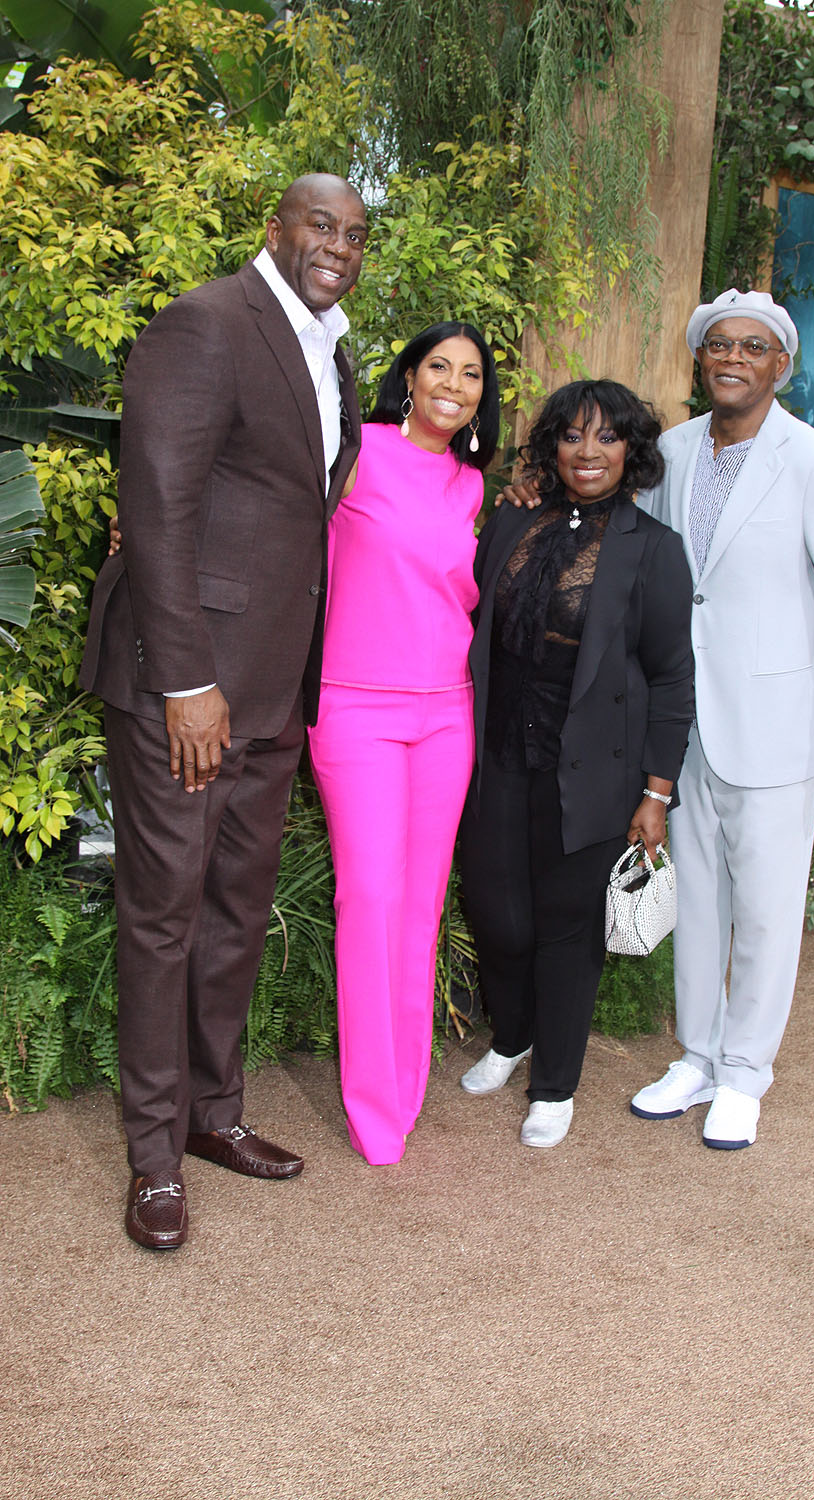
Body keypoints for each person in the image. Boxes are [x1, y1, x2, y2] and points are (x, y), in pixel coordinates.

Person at [80, 174, 367, 1248]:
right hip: (190, 688)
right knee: (164, 918)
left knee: (236, 912)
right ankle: (154, 1159)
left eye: (355, 235)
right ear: (276, 229)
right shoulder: (206, 323)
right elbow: (157, 506)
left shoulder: (329, 350)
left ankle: (212, 1114)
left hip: (273, 686)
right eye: (320, 226)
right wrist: (185, 683)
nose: (337, 246)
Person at [628, 289, 814, 1149]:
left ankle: (745, 1073)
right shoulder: (671, 452)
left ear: (781, 365)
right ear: (700, 359)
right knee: (699, 902)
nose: (733, 359)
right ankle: (698, 1057)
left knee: (768, 911)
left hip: (776, 724)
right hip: (682, 726)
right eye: (719, 345)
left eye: (753, 347)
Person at [460, 380, 695, 1149]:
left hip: (593, 767)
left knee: (567, 928)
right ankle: (513, 1036)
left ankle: (554, 1084)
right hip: (498, 752)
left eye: (606, 437)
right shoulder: (512, 520)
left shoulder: (653, 548)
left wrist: (657, 792)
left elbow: (672, 678)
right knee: (497, 914)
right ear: (550, 446)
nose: (587, 452)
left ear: (632, 451)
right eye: (571, 435)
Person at [306, 324, 500, 1166]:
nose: (453, 384)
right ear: (410, 379)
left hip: (447, 715)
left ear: (482, 397)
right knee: (372, 898)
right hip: (355, 710)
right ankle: (372, 1106)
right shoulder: (356, 455)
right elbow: (280, 530)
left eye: (471, 374)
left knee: (420, 906)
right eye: (438, 368)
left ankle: (404, 1087)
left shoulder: (474, 485)